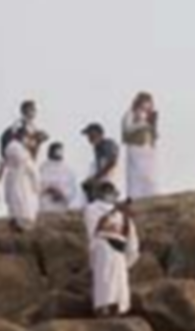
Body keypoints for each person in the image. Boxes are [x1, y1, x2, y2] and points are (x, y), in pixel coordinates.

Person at [83, 182, 139, 317]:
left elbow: (130, 237)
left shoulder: (122, 213)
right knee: (105, 284)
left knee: (119, 287)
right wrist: (115, 211)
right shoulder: (92, 208)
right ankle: (104, 311)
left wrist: (128, 255)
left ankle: (117, 312)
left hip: (119, 252)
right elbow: (96, 229)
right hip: (103, 248)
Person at [121, 92, 160, 200]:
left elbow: (154, 135)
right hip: (136, 150)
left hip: (148, 151)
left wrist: (152, 124)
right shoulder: (130, 114)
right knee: (136, 178)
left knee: (150, 178)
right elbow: (127, 131)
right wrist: (143, 124)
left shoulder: (150, 115)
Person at [2, 128, 41, 230]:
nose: (29, 140)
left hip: (24, 178)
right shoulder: (14, 146)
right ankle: (18, 223)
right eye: (27, 137)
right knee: (19, 201)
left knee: (25, 201)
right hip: (18, 177)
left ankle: (23, 224)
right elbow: (23, 161)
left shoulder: (22, 148)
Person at [81, 123, 122, 200]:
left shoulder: (108, 144)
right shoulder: (97, 148)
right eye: (88, 135)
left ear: (99, 134)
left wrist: (95, 178)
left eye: (91, 134)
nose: (89, 137)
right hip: (103, 186)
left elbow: (112, 162)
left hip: (110, 186)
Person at [39, 143, 81, 214]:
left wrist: (62, 194)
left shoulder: (68, 170)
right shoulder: (43, 168)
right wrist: (50, 190)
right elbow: (37, 186)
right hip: (45, 207)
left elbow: (73, 190)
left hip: (61, 208)